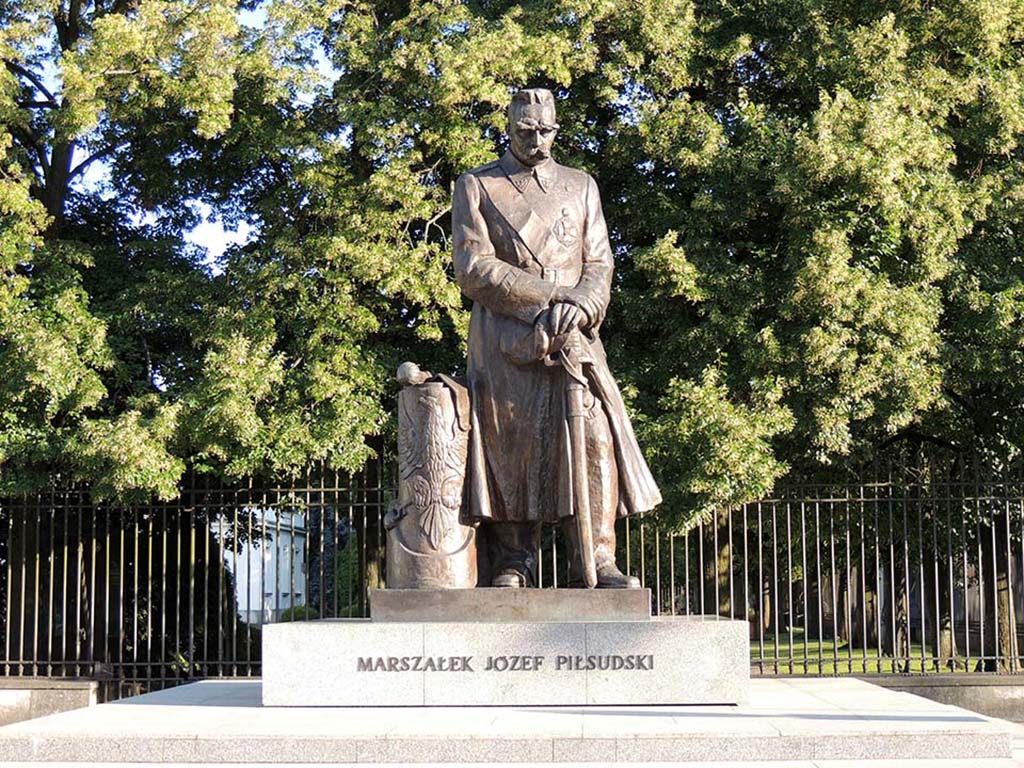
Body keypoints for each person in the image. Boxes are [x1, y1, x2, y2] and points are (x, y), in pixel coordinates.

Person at [452, 87, 661, 588]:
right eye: (526, 131)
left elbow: (599, 262)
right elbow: (474, 266)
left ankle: (597, 558)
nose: (537, 141)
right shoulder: (478, 186)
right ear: (509, 128)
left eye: (545, 131)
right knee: (513, 446)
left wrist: (583, 304)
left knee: (592, 439)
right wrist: (550, 299)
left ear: (555, 129)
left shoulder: (581, 185)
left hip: (575, 336)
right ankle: (513, 561)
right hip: (507, 337)